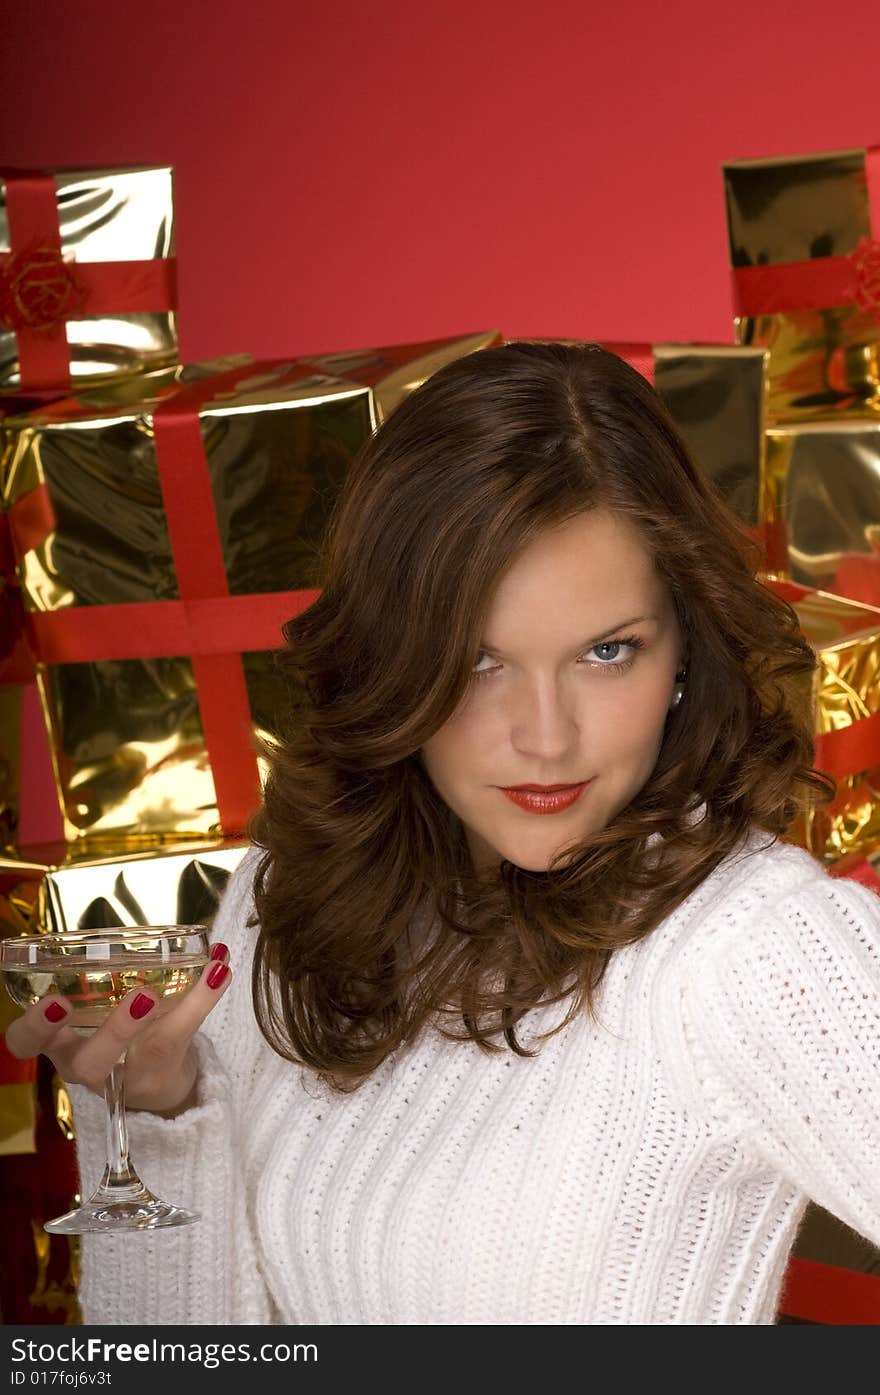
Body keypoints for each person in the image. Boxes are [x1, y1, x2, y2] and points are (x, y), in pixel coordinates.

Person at [8, 340, 880, 1326]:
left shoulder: (748, 943)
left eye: (607, 651)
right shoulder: (290, 892)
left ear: (683, 648)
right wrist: (158, 1113)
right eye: (477, 662)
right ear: (396, 658)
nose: (545, 739)